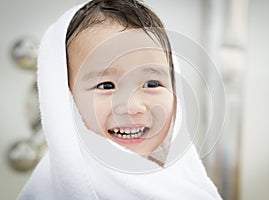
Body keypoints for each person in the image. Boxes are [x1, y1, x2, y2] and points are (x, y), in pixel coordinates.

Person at [18, 0, 222, 199]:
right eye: (106, 86)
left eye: (151, 84)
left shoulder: (187, 185)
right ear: (64, 99)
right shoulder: (47, 189)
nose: (132, 107)